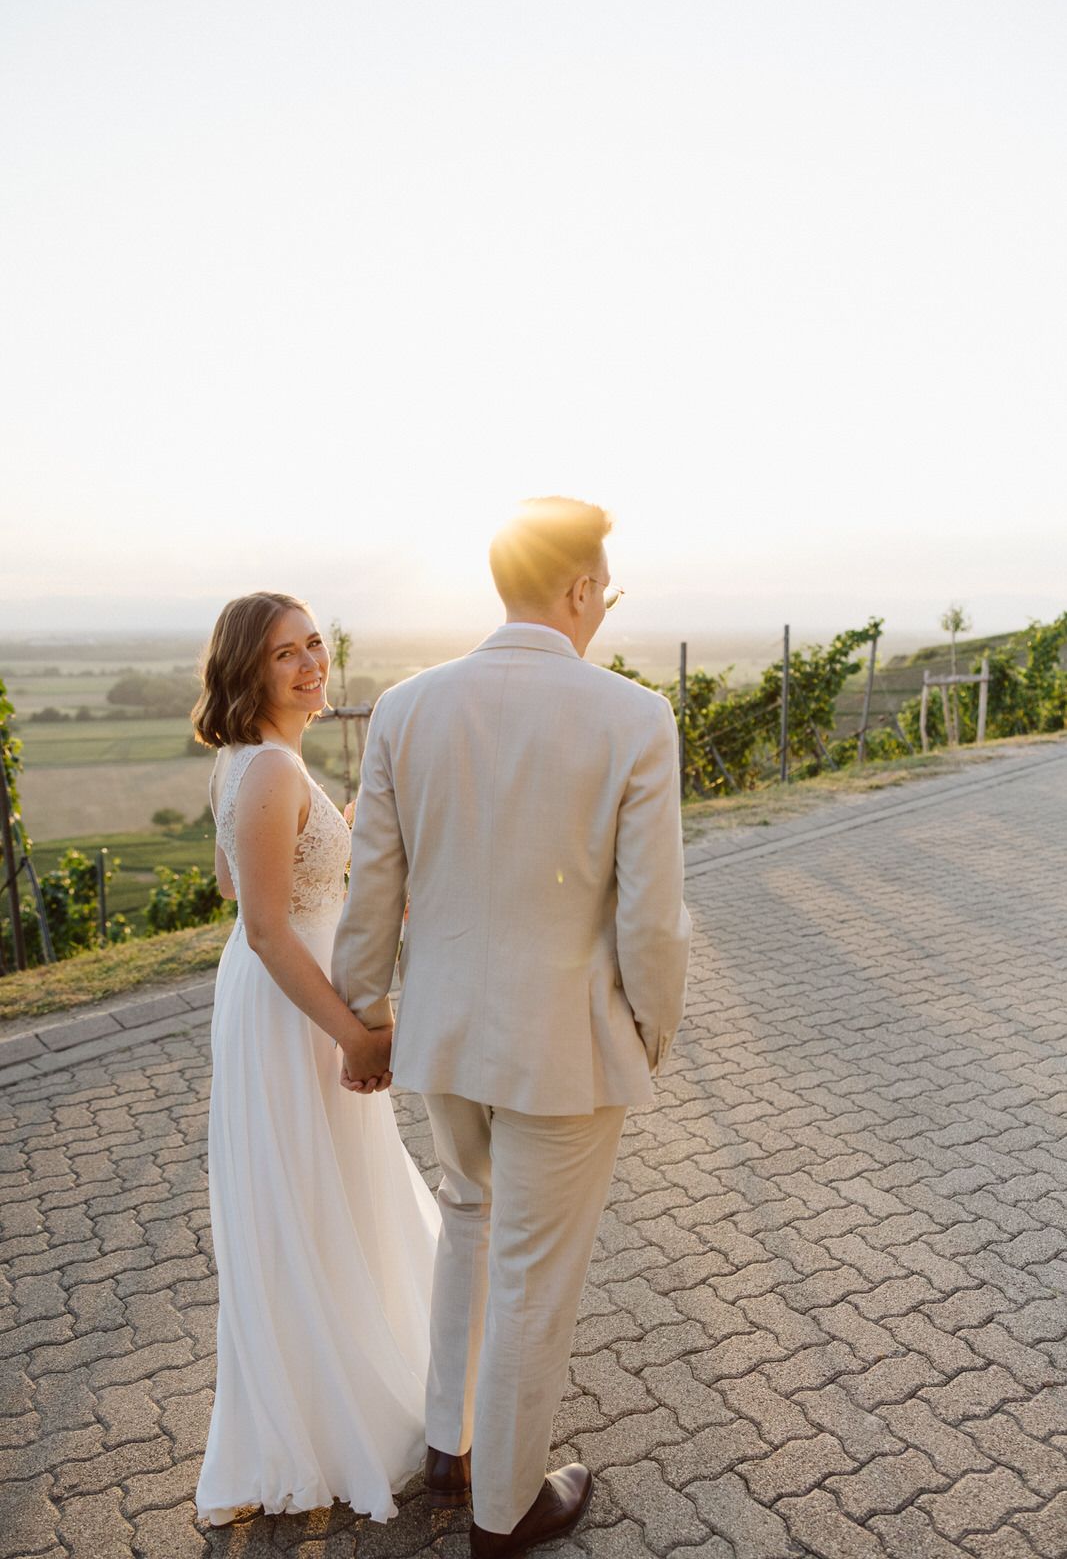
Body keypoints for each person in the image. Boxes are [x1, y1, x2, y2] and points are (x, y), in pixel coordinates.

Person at [332, 499, 691, 1557]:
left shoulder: (405, 707)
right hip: (565, 1049)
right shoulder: (632, 717)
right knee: (534, 1272)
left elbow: (372, 885)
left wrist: (368, 1010)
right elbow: (651, 917)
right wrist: (648, 1031)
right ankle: (503, 1509)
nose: (601, 609)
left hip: (444, 1032)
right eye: (604, 591)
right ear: (579, 588)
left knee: (470, 1219)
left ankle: (449, 1444)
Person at [191, 591, 439, 1528]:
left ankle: (345, 1390)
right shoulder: (265, 774)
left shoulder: (254, 763)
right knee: (312, 1194)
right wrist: (354, 1031)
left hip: (291, 998)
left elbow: (233, 879)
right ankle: (330, 1421)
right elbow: (260, 926)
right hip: (294, 1012)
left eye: (314, 645)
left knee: (330, 1193)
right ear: (246, 670)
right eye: (285, 654)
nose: (309, 665)